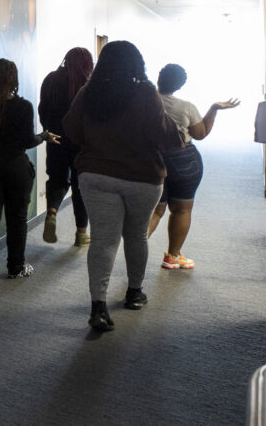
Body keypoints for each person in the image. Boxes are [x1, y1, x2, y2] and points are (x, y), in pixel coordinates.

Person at [62, 41, 183, 331]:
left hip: (96, 175)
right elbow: (166, 137)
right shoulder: (146, 93)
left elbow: (71, 129)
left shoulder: (88, 92)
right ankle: (134, 293)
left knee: (103, 241)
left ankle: (98, 307)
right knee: (136, 236)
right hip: (142, 177)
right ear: (137, 63)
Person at [0, 58, 56, 296]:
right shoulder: (23, 106)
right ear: (13, 80)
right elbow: (27, 141)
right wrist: (44, 136)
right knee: (17, 219)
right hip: (15, 168)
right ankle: (16, 267)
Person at [147, 64, 239, 269]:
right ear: (179, 85)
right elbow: (200, 133)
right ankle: (172, 257)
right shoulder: (185, 107)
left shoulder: (145, 103)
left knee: (155, 210)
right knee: (181, 209)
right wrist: (214, 109)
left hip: (152, 159)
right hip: (184, 160)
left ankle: (136, 248)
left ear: (159, 78)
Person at [38, 47, 94, 246]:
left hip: (56, 139)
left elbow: (42, 109)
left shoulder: (51, 80)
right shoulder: (88, 85)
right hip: (81, 143)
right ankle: (81, 234)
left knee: (57, 179)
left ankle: (52, 212)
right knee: (81, 185)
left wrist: (48, 131)